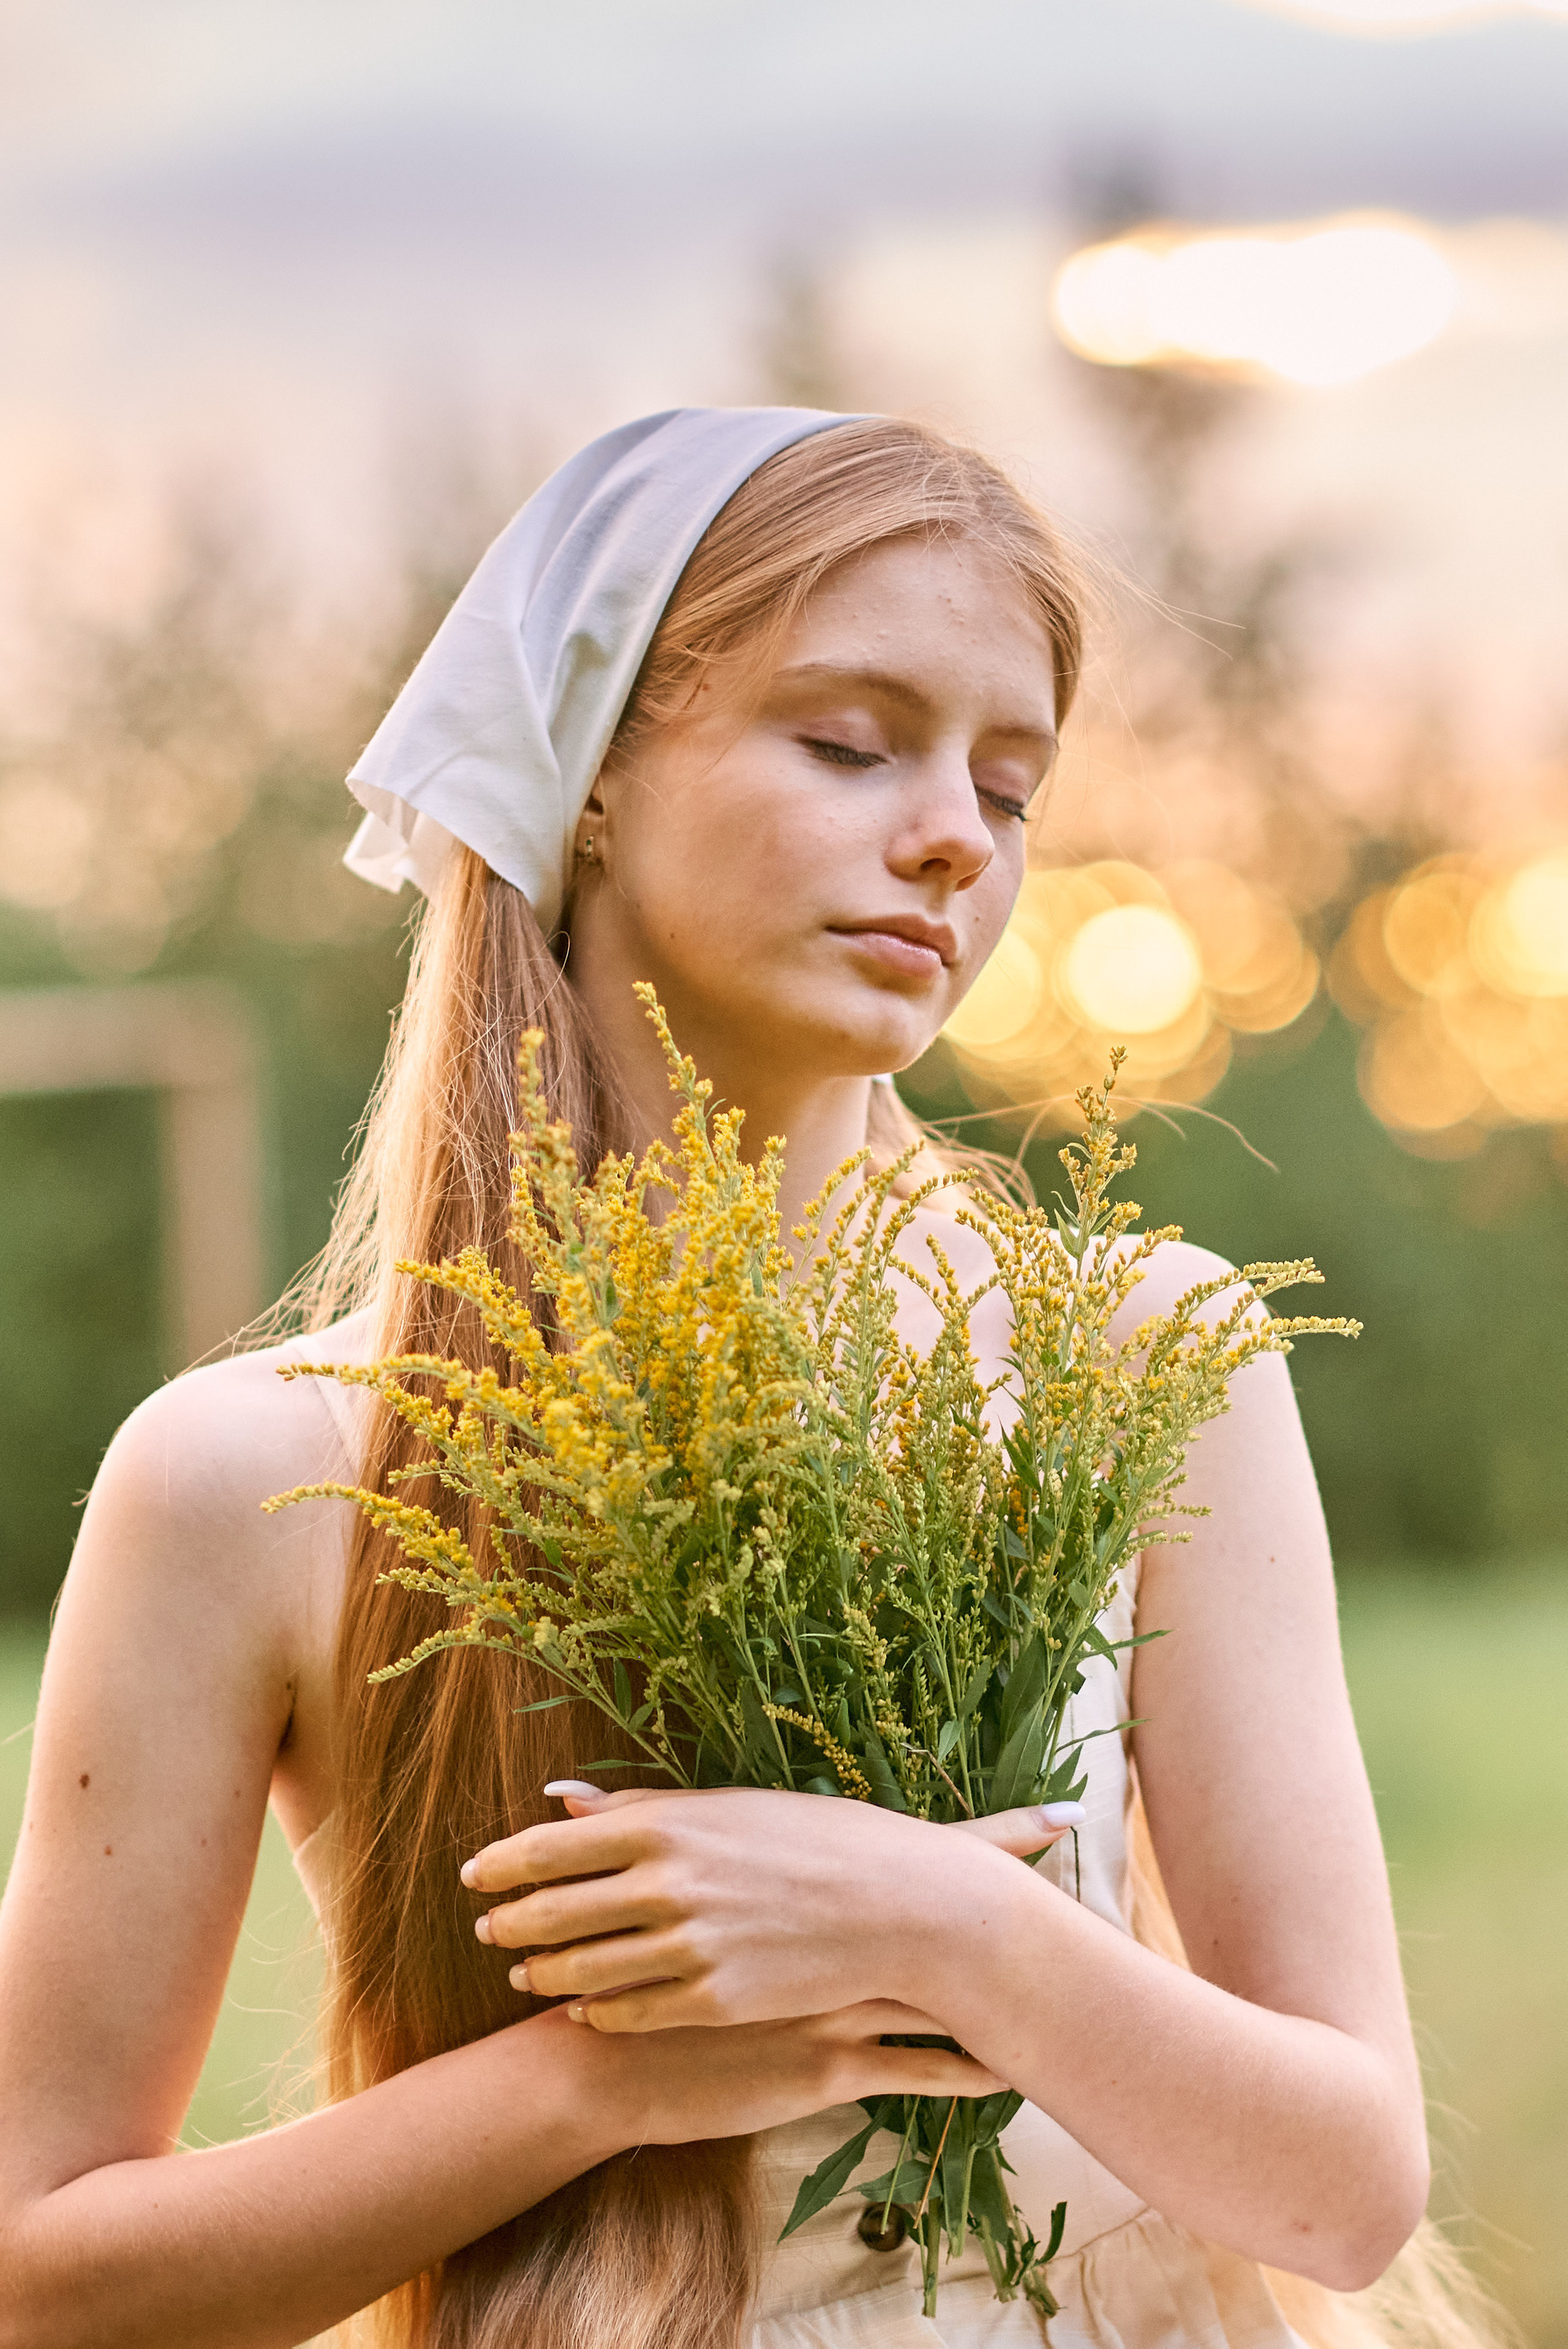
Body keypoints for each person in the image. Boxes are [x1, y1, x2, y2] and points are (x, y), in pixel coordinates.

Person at [0, 409, 1489, 2349]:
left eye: (1012, 782)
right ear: (595, 770)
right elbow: (45, 2274)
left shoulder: (1139, 1364)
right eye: (852, 742)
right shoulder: (267, 1471)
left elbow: (1350, 2188)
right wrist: (609, 2077)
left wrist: (936, 1920)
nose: (957, 830)